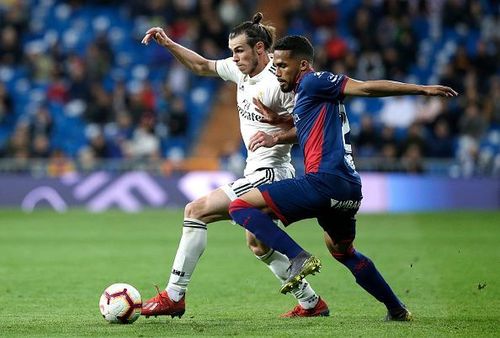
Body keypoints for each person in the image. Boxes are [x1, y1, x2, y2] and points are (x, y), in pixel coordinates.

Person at [229, 35, 458, 321]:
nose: (277, 72)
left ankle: (297, 257)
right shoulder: (309, 97)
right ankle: (397, 309)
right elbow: (308, 129)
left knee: (239, 207)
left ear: (302, 65)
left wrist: (421, 90)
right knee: (343, 251)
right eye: (274, 66)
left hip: (323, 182)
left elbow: (366, 88)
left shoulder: (314, 82)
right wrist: (279, 126)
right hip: (348, 189)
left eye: (282, 66)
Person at [140, 15, 329, 318]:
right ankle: (311, 303)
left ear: (259, 48)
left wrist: (277, 137)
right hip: (256, 172)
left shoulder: (280, 81)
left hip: (272, 173)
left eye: (240, 50)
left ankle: (174, 294)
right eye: (232, 51)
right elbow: (202, 65)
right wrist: (168, 43)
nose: (234, 57)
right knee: (258, 245)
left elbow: (310, 125)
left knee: (195, 210)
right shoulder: (240, 71)